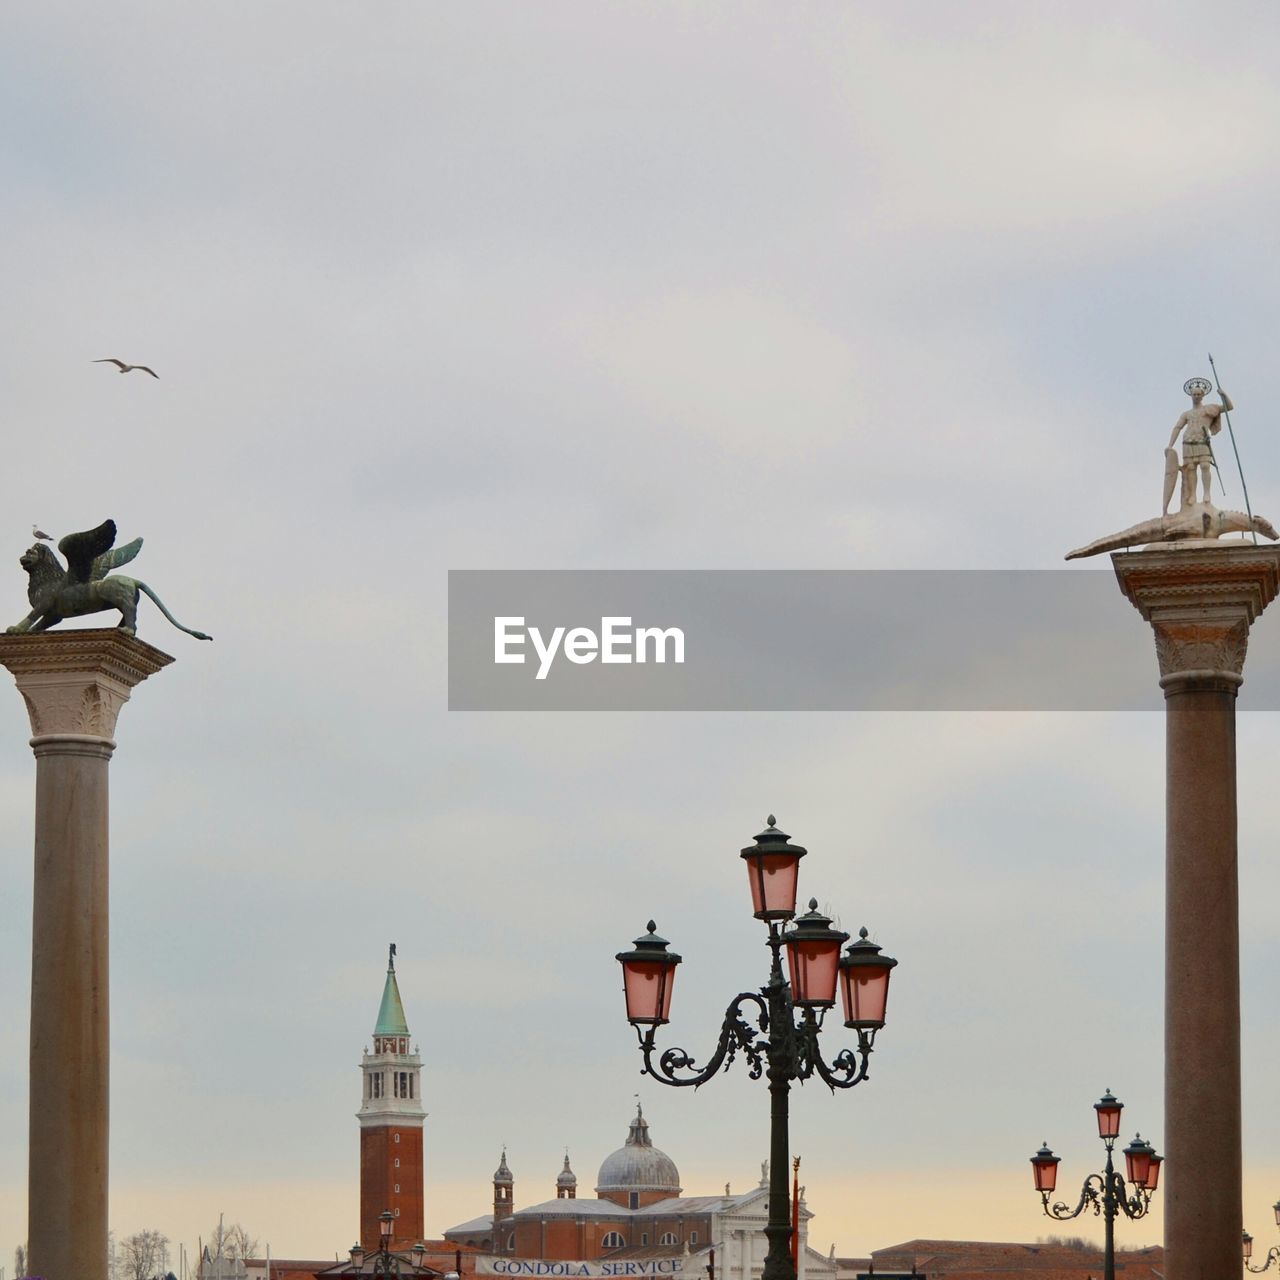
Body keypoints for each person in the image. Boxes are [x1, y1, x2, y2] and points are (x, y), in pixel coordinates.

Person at [1165, 377, 1232, 512]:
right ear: (1191, 395)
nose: (1196, 396)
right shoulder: (1187, 414)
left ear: (1203, 395)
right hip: (1188, 442)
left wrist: (1224, 395)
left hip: (1202, 440)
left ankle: (1207, 494)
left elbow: (1228, 407)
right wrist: (1170, 445)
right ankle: (1193, 495)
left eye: (1198, 394)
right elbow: (1177, 427)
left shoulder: (1210, 408)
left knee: (1205, 466)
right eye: (1194, 394)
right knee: (1190, 468)